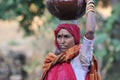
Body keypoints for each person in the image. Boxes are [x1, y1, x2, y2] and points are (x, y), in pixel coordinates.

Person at [39, 0, 101, 80]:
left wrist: (90, 3)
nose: (62, 41)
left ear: (75, 38)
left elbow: (90, 32)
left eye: (66, 37)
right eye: (59, 37)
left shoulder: (81, 57)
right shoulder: (52, 60)